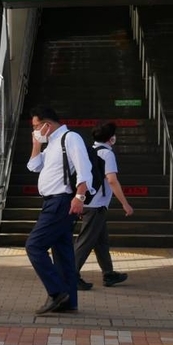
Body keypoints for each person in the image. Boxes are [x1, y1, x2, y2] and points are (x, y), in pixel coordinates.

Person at [26, 105, 92, 315]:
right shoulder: (52, 143)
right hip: (52, 201)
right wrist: (37, 143)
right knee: (63, 253)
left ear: (47, 124)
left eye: (36, 126)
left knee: (34, 246)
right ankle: (69, 301)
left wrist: (79, 197)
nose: (35, 130)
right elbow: (33, 166)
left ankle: (56, 292)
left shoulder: (70, 138)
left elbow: (84, 169)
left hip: (61, 201)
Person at [75, 122, 134, 290]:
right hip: (96, 206)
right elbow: (112, 180)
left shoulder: (91, 151)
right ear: (111, 138)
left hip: (90, 202)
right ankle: (70, 274)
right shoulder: (107, 154)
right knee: (85, 242)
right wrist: (125, 204)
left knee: (101, 242)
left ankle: (108, 273)